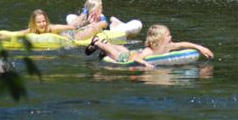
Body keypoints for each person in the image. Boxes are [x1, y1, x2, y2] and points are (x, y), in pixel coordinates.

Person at [85, 24, 214, 69]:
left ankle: (107, 43)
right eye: (168, 35)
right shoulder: (149, 50)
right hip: (126, 59)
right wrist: (146, 65)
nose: (171, 37)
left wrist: (200, 47)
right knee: (116, 53)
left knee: (124, 48)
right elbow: (137, 59)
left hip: (131, 54)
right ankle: (98, 42)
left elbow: (184, 44)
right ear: (159, 39)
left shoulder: (168, 46)